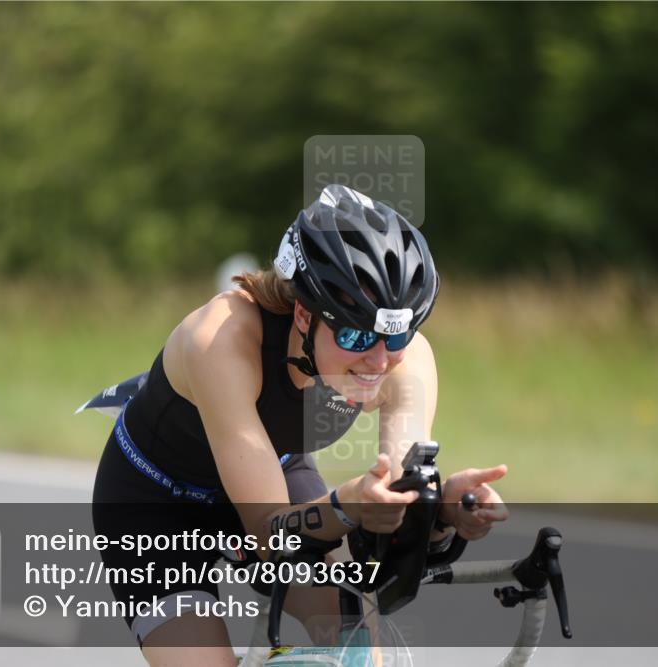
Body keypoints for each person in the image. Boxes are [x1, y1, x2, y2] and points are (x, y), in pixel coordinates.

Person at [92, 184, 509, 667]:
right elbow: (269, 535)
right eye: (356, 334)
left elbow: (396, 498)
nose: (379, 359)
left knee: (355, 637)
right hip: (157, 506)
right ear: (304, 314)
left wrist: (439, 513)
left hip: (277, 470)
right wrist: (345, 505)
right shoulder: (221, 339)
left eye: (398, 334)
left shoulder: (404, 357)